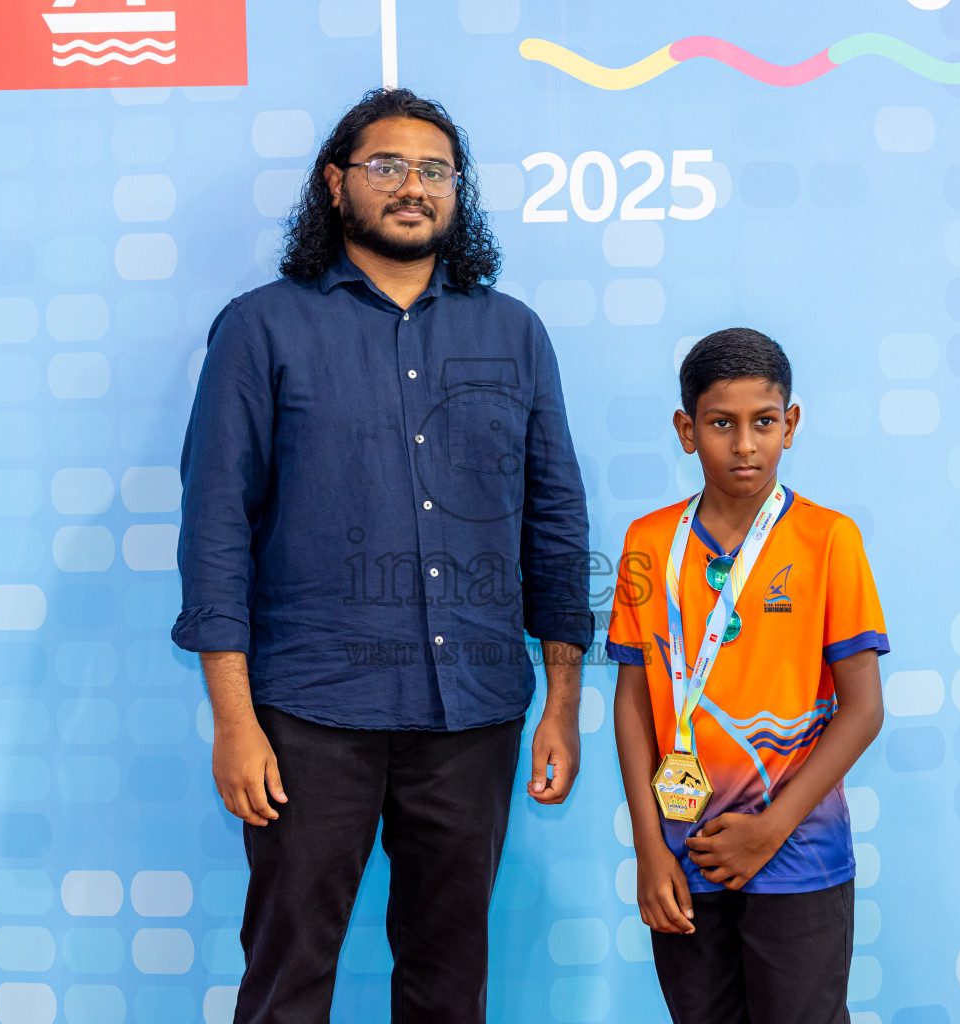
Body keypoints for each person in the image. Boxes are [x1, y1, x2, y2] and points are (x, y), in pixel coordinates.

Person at [171, 87, 593, 1024]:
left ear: (459, 192)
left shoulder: (512, 331)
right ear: (336, 184)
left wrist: (563, 701)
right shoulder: (262, 327)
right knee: (288, 980)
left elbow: (555, 523)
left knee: (449, 987)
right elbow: (215, 532)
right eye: (387, 166)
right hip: (309, 715)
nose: (414, 186)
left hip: (474, 713)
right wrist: (234, 721)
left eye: (436, 170)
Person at [607, 328, 888, 1023]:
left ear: (790, 426)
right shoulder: (649, 543)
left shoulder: (829, 540)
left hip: (798, 852)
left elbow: (863, 710)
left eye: (764, 423)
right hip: (685, 854)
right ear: (686, 429)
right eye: (720, 424)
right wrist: (648, 846)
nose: (744, 445)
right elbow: (634, 701)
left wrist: (771, 829)